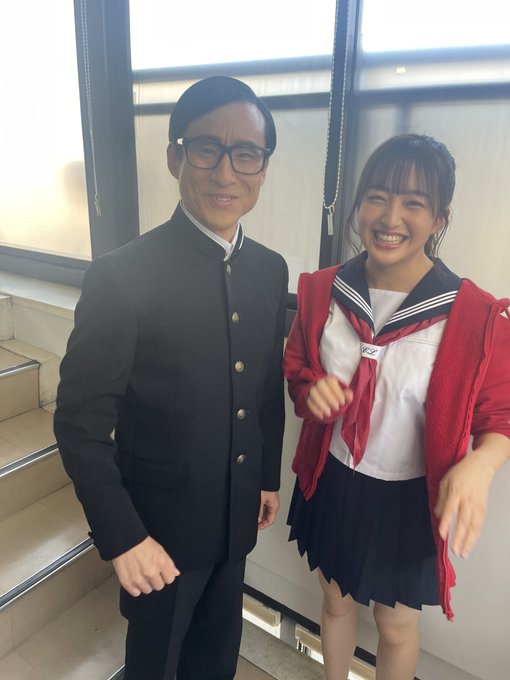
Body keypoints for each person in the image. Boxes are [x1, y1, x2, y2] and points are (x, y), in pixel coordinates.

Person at [54, 76, 288, 680]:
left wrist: (265, 477)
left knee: (216, 661)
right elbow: (79, 423)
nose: (226, 173)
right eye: (206, 149)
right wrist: (122, 536)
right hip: (156, 534)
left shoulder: (269, 269)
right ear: (174, 157)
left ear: (263, 168)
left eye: (246, 154)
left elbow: (265, 385)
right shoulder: (122, 276)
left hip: (236, 519)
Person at [283, 133, 510, 680]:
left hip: (409, 496)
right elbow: (297, 368)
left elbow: (499, 414)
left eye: (414, 202)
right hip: (335, 478)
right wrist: (311, 392)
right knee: (335, 601)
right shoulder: (323, 292)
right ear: (359, 204)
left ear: (440, 218)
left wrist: (481, 464)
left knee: (396, 625)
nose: (390, 217)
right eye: (377, 196)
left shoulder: (473, 316)